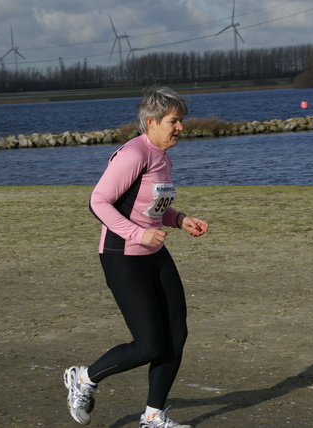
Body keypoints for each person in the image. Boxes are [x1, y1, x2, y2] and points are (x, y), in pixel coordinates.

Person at [64, 86, 209, 428]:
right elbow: (98, 202)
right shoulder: (133, 154)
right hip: (122, 257)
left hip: (155, 254)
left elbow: (152, 207)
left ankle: (154, 416)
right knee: (149, 345)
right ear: (152, 121)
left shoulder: (164, 157)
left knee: (177, 334)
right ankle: (84, 378)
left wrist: (180, 219)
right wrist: (137, 234)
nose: (181, 128)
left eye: (181, 121)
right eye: (175, 121)